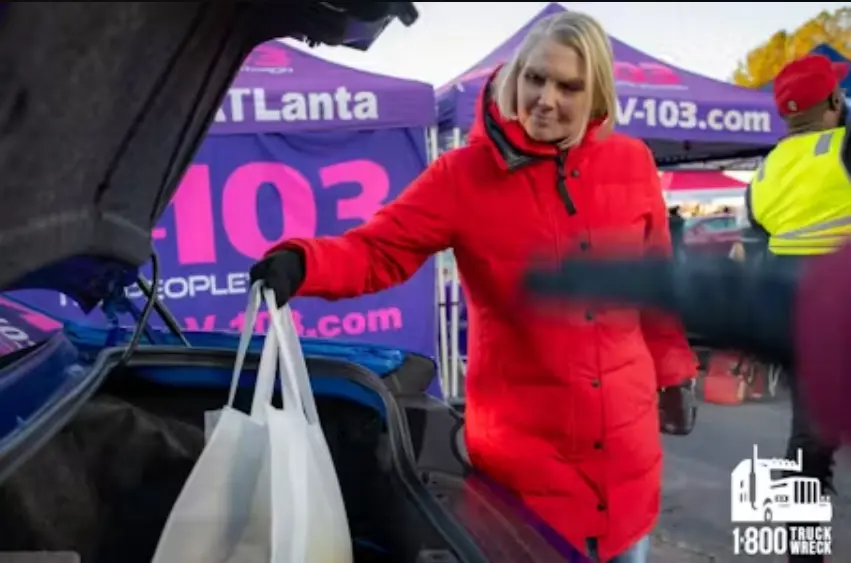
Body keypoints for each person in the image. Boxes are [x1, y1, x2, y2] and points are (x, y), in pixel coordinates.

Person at [249, 10, 697, 563]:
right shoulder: (462, 177)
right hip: (525, 480)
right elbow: (377, 250)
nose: (546, 99)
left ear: (597, 95)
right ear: (514, 76)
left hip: (627, 468)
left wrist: (675, 376)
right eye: (536, 78)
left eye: (569, 86)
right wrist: (303, 261)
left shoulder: (631, 163)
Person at [527, 53, 851, 563]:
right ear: (835, 101)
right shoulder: (843, 147)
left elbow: (759, 243)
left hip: (797, 323)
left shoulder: (766, 173)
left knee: (808, 446)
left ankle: (800, 553)